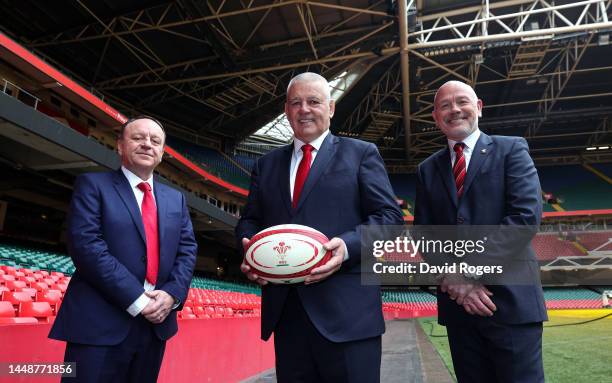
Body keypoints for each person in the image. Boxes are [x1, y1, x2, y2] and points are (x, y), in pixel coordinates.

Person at [236, 72, 404, 382]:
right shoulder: (266, 164)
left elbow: (389, 219)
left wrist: (348, 246)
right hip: (288, 316)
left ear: (331, 108)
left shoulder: (361, 154)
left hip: (349, 317)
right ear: (286, 111)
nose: (304, 109)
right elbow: (250, 219)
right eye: (295, 103)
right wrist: (250, 247)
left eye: (313, 101)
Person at [414, 80, 547, 382]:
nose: (455, 110)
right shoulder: (427, 169)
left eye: (462, 101)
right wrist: (456, 282)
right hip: (460, 309)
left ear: (479, 108)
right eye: (445, 106)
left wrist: (466, 274)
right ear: (435, 117)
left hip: (511, 304)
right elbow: (425, 234)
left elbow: (524, 218)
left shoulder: (511, 148)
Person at [49, 116, 197, 382]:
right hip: (98, 325)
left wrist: (172, 295)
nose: (147, 145)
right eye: (138, 138)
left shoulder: (176, 199)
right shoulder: (92, 186)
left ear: (162, 153)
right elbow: (87, 247)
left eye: (155, 141)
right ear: (120, 145)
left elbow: (187, 250)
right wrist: (139, 300)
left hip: (155, 326)